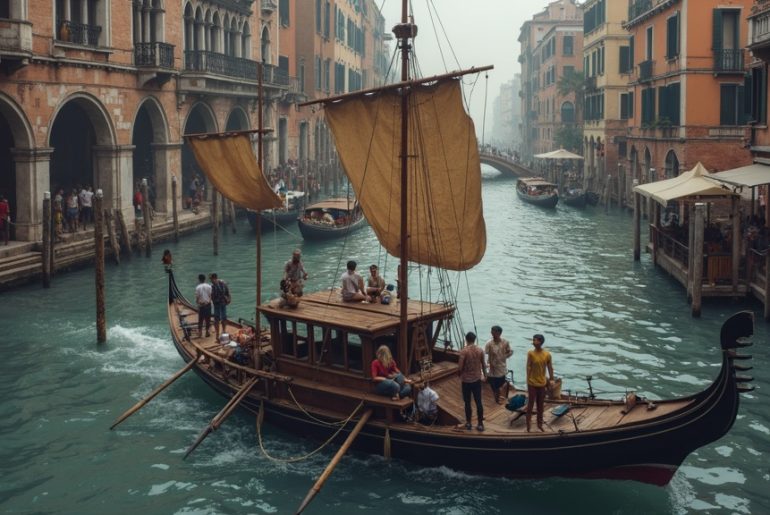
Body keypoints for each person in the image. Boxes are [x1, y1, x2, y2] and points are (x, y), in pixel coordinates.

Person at [458, 331, 487, 431]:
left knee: (467, 402)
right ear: (474, 339)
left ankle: (469, 423)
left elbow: (460, 366)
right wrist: (485, 376)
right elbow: (483, 364)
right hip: (477, 379)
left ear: (466, 339)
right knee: (478, 402)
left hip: (466, 381)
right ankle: (480, 424)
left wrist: (459, 374)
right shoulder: (480, 350)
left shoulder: (464, 351)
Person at [526, 333, 554, 433]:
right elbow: (528, 367)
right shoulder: (530, 353)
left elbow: (550, 367)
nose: (534, 342)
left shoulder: (547, 354)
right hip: (532, 383)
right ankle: (528, 424)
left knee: (540, 405)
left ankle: (539, 424)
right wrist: (528, 380)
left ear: (541, 342)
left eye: (536, 340)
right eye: (533, 340)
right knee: (530, 404)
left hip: (542, 383)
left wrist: (551, 379)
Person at [485, 325, 512, 404]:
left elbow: (510, 351)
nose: (492, 333)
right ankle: (496, 398)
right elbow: (486, 354)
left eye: (494, 332)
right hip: (492, 368)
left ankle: (497, 397)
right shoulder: (489, 343)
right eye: (491, 331)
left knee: (500, 384)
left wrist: (504, 357)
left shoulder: (505, 342)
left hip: (501, 367)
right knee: (493, 385)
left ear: (499, 333)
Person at [210, 273, 231, 339]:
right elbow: (228, 291)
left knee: (219, 319)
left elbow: (212, 296)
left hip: (219, 304)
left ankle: (220, 332)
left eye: (211, 279)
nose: (210, 280)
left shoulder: (214, 286)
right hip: (220, 303)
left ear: (214, 278)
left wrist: (229, 299)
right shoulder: (222, 283)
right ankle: (220, 332)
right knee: (221, 318)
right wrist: (229, 299)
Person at [194, 273, 212, 338]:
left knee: (200, 319)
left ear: (199, 279)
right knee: (208, 319)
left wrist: (197, 303)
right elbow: (210, 296)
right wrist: (208, 301)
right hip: (208, 304)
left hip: (201, 305)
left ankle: (200, 333)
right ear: (205, 279)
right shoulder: (209, 286)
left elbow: (197, 297)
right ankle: (207, 331)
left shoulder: (198, 287)